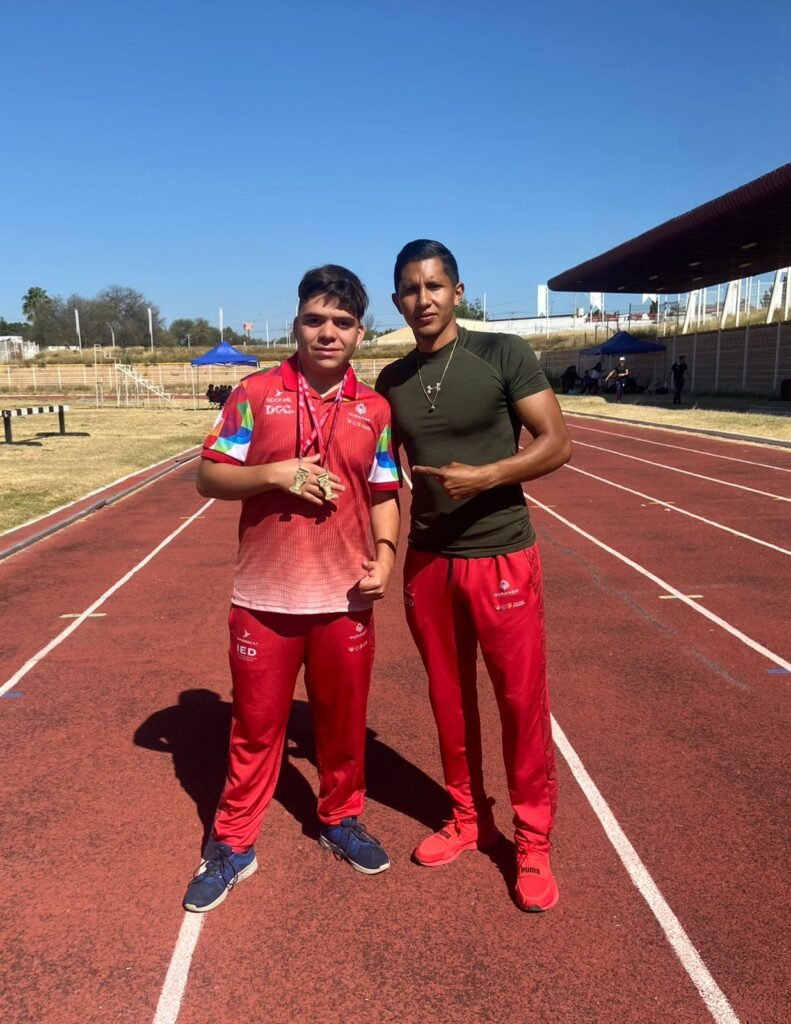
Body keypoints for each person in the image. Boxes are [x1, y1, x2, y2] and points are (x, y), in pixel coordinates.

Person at [182, 265, 401, 913]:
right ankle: (233, 843)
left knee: (343, 726)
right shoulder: (255, 393)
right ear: (297, 324)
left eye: (342, 323)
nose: (327, 333)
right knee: (254, 729)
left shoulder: (373, 408)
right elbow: (209, 476)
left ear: (359, 333)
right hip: (264, 599)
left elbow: (384, 492)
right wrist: (276, 473)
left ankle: (340, 818)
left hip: (344, 599)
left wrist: (386, 555)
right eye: (315, 320)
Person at [376, 240, 572, 913]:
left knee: (520, 703)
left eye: (434, 286)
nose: (422, 299)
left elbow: (557, 443)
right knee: (449, 700)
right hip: (428, 561)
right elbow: (377, 472)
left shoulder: (502, 353)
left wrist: (486, 476)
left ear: (457, 292)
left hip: (501, 555)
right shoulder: (393, 380)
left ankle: (533, 841)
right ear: (397, 300)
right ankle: (468, 819)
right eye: (410, 289)